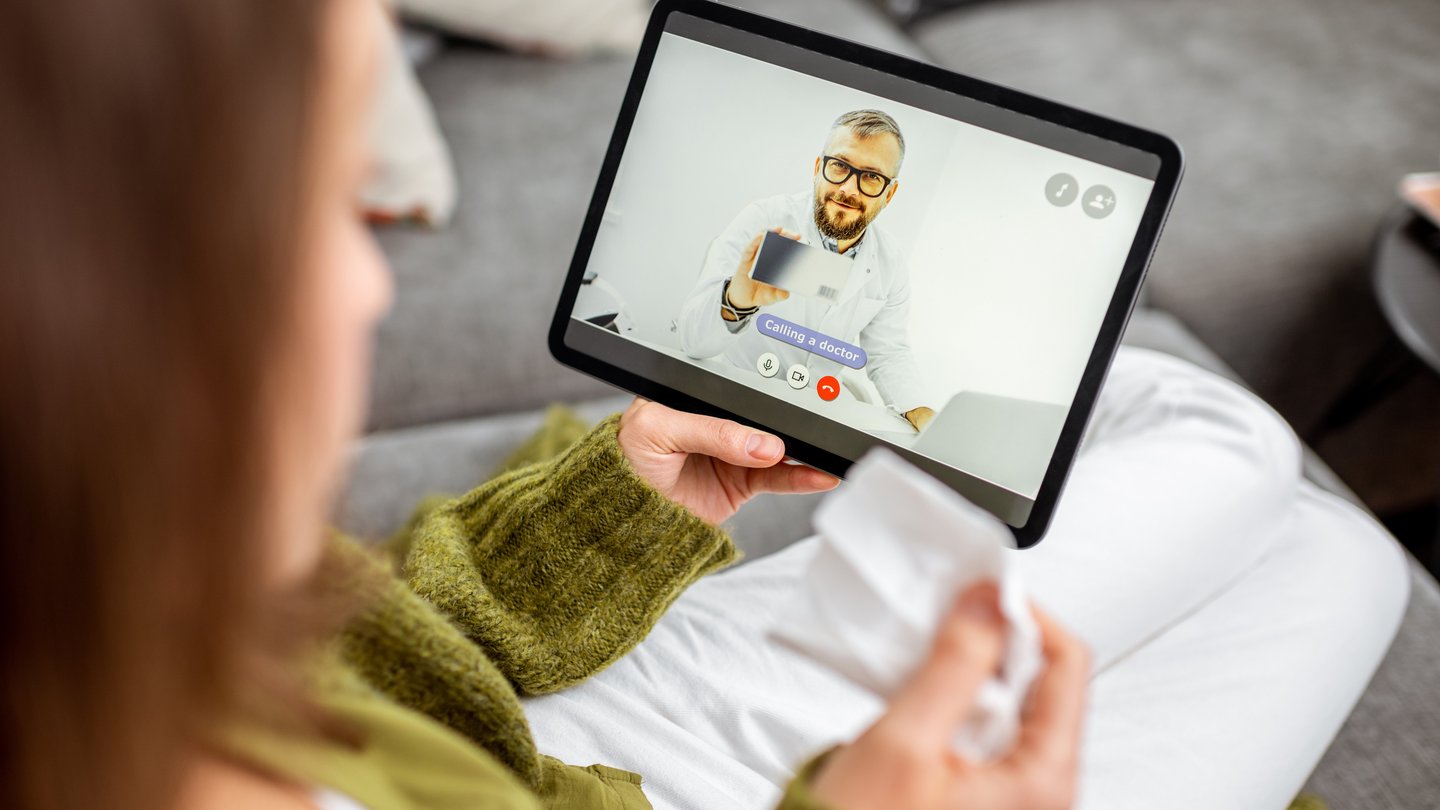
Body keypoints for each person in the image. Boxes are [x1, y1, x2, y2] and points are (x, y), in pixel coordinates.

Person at [0, 1, 1410, 810]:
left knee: (1294, 512)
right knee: (1296, 510)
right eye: (317, 209)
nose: (374, 286)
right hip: (687, 771)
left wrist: (603, 515)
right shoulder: (767, 223)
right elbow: (731, 310)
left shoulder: (125, 601)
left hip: (567, 725)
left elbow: (378, 646)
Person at [677, 109, 936, 431]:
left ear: (890, 192)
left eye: (871, 176)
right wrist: (736, 302)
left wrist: (922, 412)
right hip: (732, 401)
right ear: (818, 168)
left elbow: (888, 352)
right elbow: (692, 341)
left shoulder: (890, 263)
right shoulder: (764, 220)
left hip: (810, 418)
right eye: (840, 166)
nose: (849, 189)